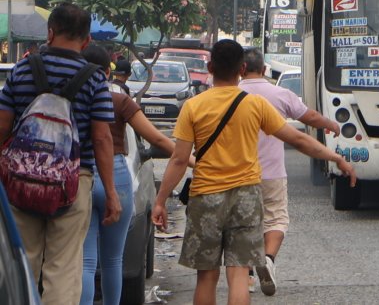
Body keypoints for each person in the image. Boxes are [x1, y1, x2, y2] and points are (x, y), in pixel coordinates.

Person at [152, 40, 355, 305]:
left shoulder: (193, 106)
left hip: (206, 196)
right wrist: (336, 158)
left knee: (206, 277)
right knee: (238, 275)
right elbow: (299, 140)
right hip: (247, 197)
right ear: (242, 68)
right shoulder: (255, 105)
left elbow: (179, 160)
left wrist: (160, 201)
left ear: (210, 67)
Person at [0, 3, 119, 305]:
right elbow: (103, 138)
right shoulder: (94, 78)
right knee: (64, 267)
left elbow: (2, 125)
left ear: (49, 33)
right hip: (73, 183)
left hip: (20, 181)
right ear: (87, 40)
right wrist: (112, 194)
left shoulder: (24, 68)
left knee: (23, 263)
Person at [79, 45, 177, 305]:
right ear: (107, 72)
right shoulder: (120, 100)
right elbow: (155, 137)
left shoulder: (74, 97)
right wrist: (190, 160)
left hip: (83, 174)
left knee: (86, 262)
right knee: (113, 259)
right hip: (118, 175)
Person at [238, 49, 338, 296]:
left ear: (241, 69)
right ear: (264, 70)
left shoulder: (230, 95)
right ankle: (268, 259)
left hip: (238, 174)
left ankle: (248, 275)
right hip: (272, 172)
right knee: (276, 219)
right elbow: (309, 117)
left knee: (243, 224)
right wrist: (330, 124)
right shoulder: (280, 94)